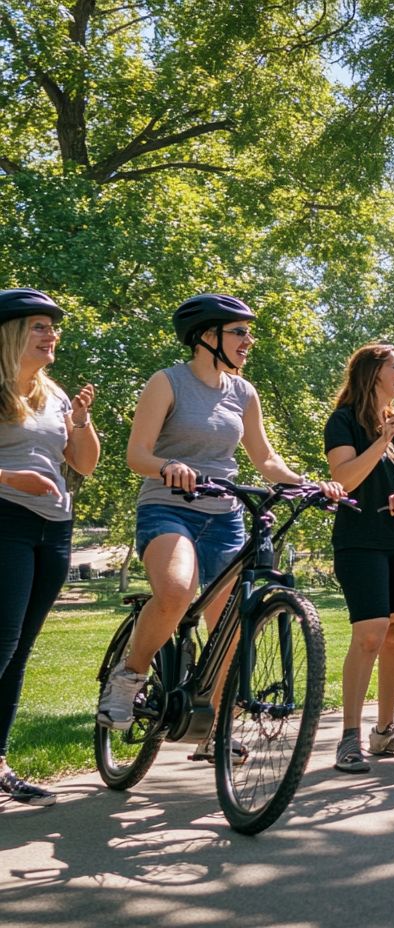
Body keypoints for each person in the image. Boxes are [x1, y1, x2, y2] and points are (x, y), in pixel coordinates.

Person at [96, 294, 344, 761]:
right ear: (208, 337)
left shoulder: (243, 392)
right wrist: (170, 465)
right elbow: (137, 455)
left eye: (249, 332)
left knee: (231, 622)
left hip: (226, 512)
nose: (249, 341)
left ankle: (209, 725)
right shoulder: (166, 382)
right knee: (175, 592)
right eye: (240, 332)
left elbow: (265, 458)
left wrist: (308, 483)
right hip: (169, 507)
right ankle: (127, 681)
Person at [0, 289, 98, 806]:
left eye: (53, 327)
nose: (51, 334)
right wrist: (10, 477)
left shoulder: (52, 393)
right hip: (5, 521)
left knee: (17, 653)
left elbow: (84, 463)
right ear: (12, 332)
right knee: (0, 644)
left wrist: (80, 422)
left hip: (53, 528)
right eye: (40, 325)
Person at [324, 343, 394, 773]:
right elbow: (344, 479)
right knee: (371, 633)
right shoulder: (344, 421)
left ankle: (385, 731)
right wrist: (381, 440)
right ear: (373, 373)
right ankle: (349, 738)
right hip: (360, 541)